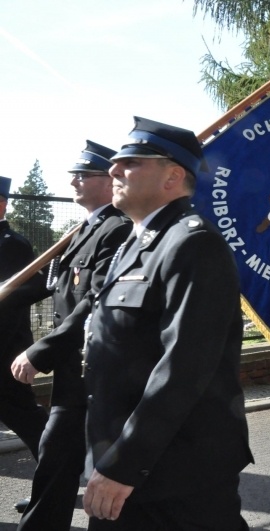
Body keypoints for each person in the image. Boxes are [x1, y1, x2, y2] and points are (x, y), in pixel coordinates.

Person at [12, 117, 253, 529]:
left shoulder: (193, 243)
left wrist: (124, 463)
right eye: (116, 163)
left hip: (175, 472)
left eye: (131, 162)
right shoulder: (136, 243)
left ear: (172, 177)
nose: (114, 170)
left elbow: (184, 369)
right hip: (125, 461)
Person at [12, 141, 132, 530]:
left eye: (84, 174)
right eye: (74, 174)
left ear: (108, 181)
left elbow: (93, 303)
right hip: (73, 370)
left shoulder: (117, 230)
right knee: (55, 455)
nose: (74, 181)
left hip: (97, 370)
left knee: (108, 470)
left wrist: (40, 351)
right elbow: (57, 289)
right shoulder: (85, 229)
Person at [0, 176, 48, 463]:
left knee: (26, 418)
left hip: (5, 350)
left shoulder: (12, 245)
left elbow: (14, 303)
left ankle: (58, 471)